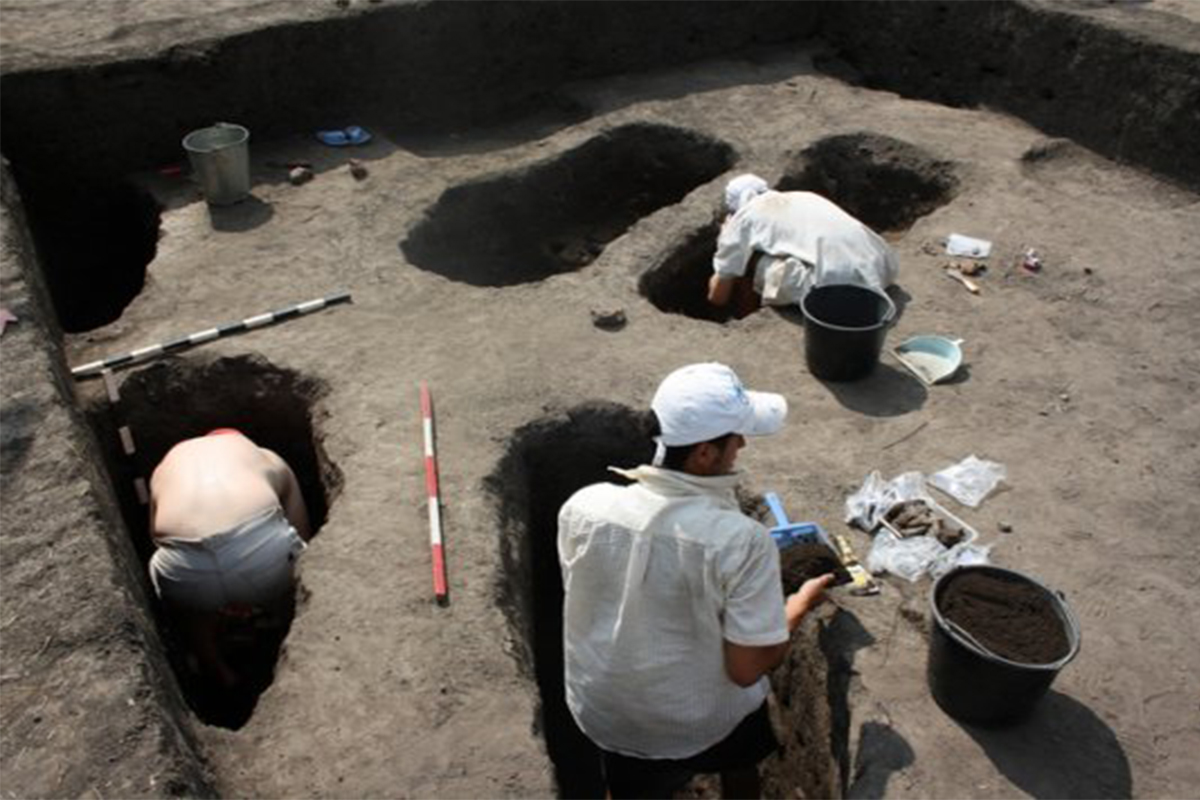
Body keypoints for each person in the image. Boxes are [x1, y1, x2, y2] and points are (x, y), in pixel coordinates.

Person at [558, 363, 834, 799]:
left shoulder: (583, 508)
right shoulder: (740, 542)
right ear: (704, 453)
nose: (743, 445)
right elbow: (746, 670)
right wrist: (796, 607)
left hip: (605, 711)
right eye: (736, 438)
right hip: (693, 720)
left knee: (629, 786)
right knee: (743, 750)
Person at [148, 428, 311, 688]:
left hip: (186, 572)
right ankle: (292, 643)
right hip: (261, 551)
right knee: (295, 591)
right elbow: (302, 534)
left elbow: (156, 537)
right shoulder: (265, 457)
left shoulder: (164, 468)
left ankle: (214, 667)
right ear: (241, 439)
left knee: (189, 612)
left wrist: (216, 585)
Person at [707, 173, 899, 316]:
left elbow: (717, 297)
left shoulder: (743, 218)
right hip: (883, 267)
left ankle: (745, 317)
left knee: (747, 261)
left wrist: (724, 239)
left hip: (844, 291)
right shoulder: (804, 196)